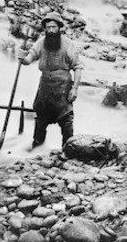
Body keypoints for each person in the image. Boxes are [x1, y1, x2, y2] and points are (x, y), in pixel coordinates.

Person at [18, 12, 83, 148]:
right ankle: (37, 147)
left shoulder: (67, 44)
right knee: (41, 118)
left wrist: (75, 88)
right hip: (45, 85)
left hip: (63, 85)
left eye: (54, 27)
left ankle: (68, 149)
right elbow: (29, 58)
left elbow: (77, 67)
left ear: (59, 28)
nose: (51, 30)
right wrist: (22, 58)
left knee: (66, 119)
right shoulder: (41, 43)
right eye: (48, 28)